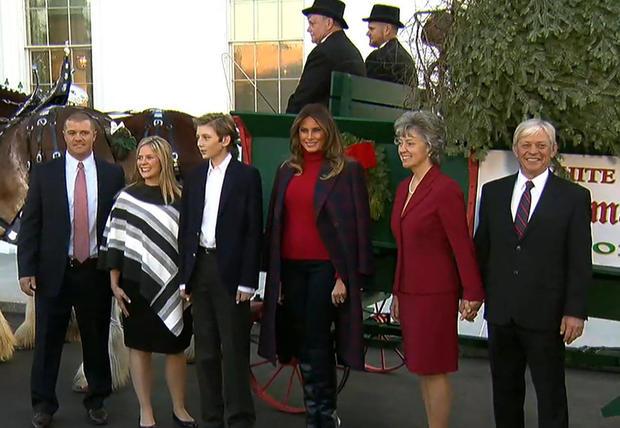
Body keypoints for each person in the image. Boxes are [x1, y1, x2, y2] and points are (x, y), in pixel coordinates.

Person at [259, 103, 374, 428]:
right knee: (300, 340)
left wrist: (343, 277)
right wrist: (275, 276)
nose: (310, 137)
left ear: (327, 133)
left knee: (317, 339)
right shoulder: (286, 170)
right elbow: (275, 223)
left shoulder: (346, 170)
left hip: (326, 269)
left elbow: (356, 227)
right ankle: (316, 412)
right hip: (291, 268)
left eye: (316, 131)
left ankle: (324, 415)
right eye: (304, 131)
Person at [474, 119, 592, 428]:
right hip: (502, 314)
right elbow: (481, 250)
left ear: (553, 150)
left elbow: (579, 260)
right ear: (515, 150)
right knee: (505, 394)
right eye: (526, 145)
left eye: (541, 145)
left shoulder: (573, 197)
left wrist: (575, 312)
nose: (533, 151)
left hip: (547, 316)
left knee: (551, 397)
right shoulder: (493, 192)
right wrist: (472, 295)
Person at [17, 111, 125, 428]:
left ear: (94, 136)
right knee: (47, 342)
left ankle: (97, 400)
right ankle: (43, 405)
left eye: (84, 133)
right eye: (73, 133)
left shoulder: (112, 175)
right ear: (64, 136)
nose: (78, 138)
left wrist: (119, 270)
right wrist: (26, 268)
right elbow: (31, 223)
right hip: (54, 271)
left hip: (95, 270)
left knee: (95, 339)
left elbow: (119, 226)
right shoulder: (45, 174)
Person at [390, 111, 484, 428]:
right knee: (421, 367)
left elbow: (461, 245)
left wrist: (472, 292)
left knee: (434, 368)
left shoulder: (445, 189)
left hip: (435, 295)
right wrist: (397, 292)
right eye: (400, 142)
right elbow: (404, 247)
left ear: (429, 146)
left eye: (410, 142)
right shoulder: (405, 188)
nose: (403, 148)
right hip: (410, 292)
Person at [98, 136, 196, 428]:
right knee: (139, 347)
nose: (142, 162)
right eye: (140, 157)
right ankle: (146, 411)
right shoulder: (126, 198)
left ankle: (180, 408)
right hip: (134, 284)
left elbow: (191, 245)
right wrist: (114, 284)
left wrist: (190, 283)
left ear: (163, 160)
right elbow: (115, 242)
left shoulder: (182, 198)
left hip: (175, 287)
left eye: (149, 157)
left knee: (175, 348)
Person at [178, 113, 262, 428]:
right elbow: (186, 227)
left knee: (234, 350)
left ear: (225, 140)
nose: (199, 143)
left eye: (206, 137)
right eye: (198, 137)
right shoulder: (195, 176)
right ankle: (211, 418)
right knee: (206, 351)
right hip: (200, 267)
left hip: (231, 272)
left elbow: (253, 231)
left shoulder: (246, 177)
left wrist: (248, 281)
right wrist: (185, 277)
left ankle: (239, 419)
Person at [286, 0, 366, 114]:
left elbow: (301, 100)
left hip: (327, 122)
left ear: (328, 23)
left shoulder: (323, 53)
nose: (308, 29)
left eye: (312, 23)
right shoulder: (353, 52)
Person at [363, 4, 416, 86]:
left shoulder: (376, 58)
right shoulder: (408, 59)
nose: (367, 33)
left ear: (387, 29)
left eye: (371, 29)